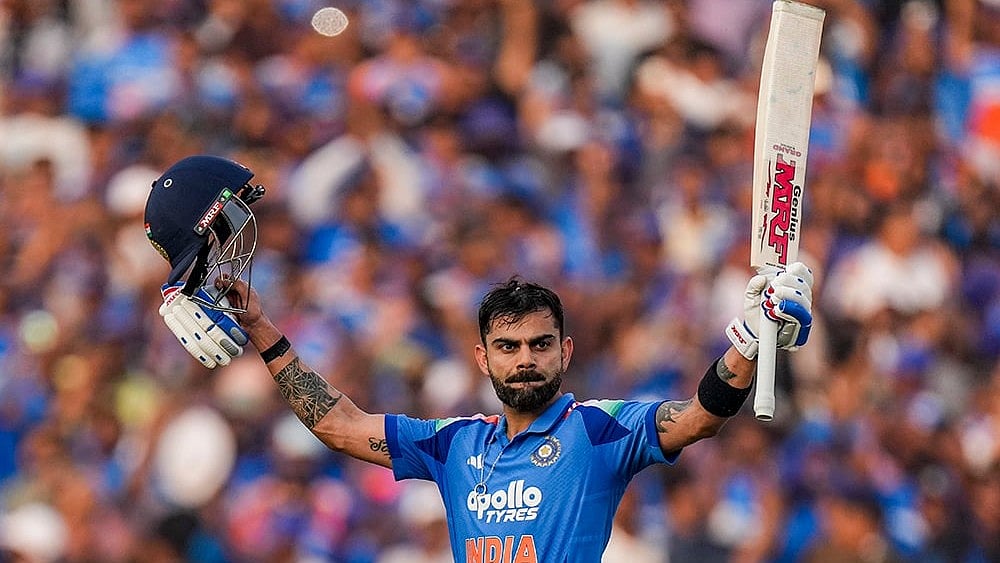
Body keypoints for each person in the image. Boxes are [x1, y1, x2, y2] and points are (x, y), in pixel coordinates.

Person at [144, 155, 815, 562]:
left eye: (540, 345)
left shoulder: (599, 430)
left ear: (566, 350)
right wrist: (260, 325)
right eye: (508, 347)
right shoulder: (454, 444)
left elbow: (699, 416)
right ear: (482, 357)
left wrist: (751, 339)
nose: (526, 360)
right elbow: (337, 424)